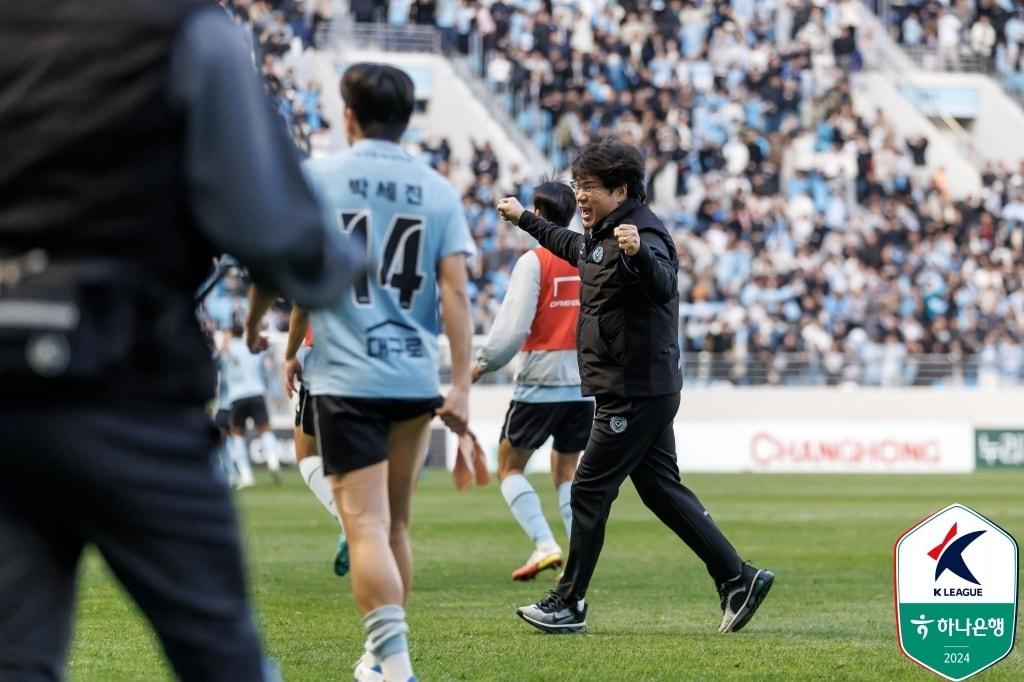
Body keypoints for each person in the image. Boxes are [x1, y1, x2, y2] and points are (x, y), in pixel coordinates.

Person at [0, 2, 360, 680]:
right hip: (121, 382)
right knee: (219, 651)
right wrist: (343, 269)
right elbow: (275, 234)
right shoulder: (188, 29)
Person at [247, 63, 473, 682]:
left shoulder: (318, 177)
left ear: (348, 115)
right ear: (407, 120)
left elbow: (276, 262)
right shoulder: (438, 189)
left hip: (346, 377)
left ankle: (396, 670)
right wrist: (460, 384)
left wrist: (252, 326)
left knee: (366, 524)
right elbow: (456, 294)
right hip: (412, 376)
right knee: (396, 524)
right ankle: (379, 659)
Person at [496, 140, 773, 635]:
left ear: (620, 189)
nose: (579, 196)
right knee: (661, 489)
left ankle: (570, 601)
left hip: (634, 389)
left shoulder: (642, 232)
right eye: (577, 186)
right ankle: (737, 577)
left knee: (588, 487)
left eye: (589, 188)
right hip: (639, 385)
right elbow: (570, 246)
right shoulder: (599, 234)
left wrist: (640, 254)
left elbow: (666, 283)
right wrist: (524, 219)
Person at [472, 181, 594, 582]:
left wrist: (482, 364)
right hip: (583, 384)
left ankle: (545, 544)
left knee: (508, 466)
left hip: (540, 382)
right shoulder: (588, 255)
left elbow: (512, 329)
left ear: (536, 217)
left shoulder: (534, 261)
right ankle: (579, 568)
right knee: (567, 474)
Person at [223, 321, 282, 485]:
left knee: (237, 434)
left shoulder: (227, 349)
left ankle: (247, 475)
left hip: (236, 396)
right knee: (265, 429)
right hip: (257, 391)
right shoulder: (251, 347)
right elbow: (264, 365)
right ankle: (273, 460)